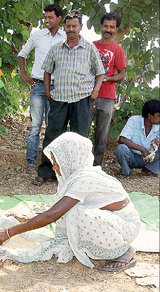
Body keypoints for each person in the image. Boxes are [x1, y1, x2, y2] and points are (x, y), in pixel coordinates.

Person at [0, 132, 140, 272]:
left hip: (125, 226)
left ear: (71, 159)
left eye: (57, 162)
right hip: (112, 223)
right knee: (75, 213)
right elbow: (59, 211)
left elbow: (53, 215)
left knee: (78, 213)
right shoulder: (78, 175)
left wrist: (9, 232)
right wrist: (25, 219)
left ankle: (123, 250)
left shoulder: (84, 179)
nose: (55, 167)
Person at [34, 9, 106, 186]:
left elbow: (100, 73)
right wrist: (48, 91)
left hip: (82, 99)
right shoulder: (56, 48)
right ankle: (46, 172)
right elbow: (47, 71)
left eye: (75, 26)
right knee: (53, 135)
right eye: (68, 26)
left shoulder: (89, 48)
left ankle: (77, 175)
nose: (71, 29)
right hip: (59, 99)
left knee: (80, 138)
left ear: (81, 27)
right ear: (64, 27)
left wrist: (96, 91)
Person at [18, 4, 66, 175]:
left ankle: (53, 163)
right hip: (38, 85)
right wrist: (23, 74)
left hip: (58, 86)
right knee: (35, 126)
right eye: (45, 17)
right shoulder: (37, 36)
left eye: (50, 18)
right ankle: (31, 162)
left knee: (54, 126)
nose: (46, 20)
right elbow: (22, 54)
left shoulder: (66, 37)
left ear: (59, 18)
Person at [91, 12, 126, 166]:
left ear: (116, 29)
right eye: (106, 26)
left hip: (107, 97)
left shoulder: (117, 50)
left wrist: (108, 78)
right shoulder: (91, 46)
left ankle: (96, 167)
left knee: (102, 134)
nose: (108, 29)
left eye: (112, 27)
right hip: (89, 94)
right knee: (82, 131)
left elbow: (122, 75)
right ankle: (81, 166)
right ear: (101, 26)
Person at [115, 99, 160, 176]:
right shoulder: (134, 120)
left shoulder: (159, 126)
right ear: (149, 116)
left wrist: (157, 142)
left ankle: (148, 169)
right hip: (132, 157)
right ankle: (126, 172)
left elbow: (159, 141)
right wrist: (142, 149)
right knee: (121, 148)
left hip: (149, 158)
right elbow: (122, 139)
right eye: (158, 116)